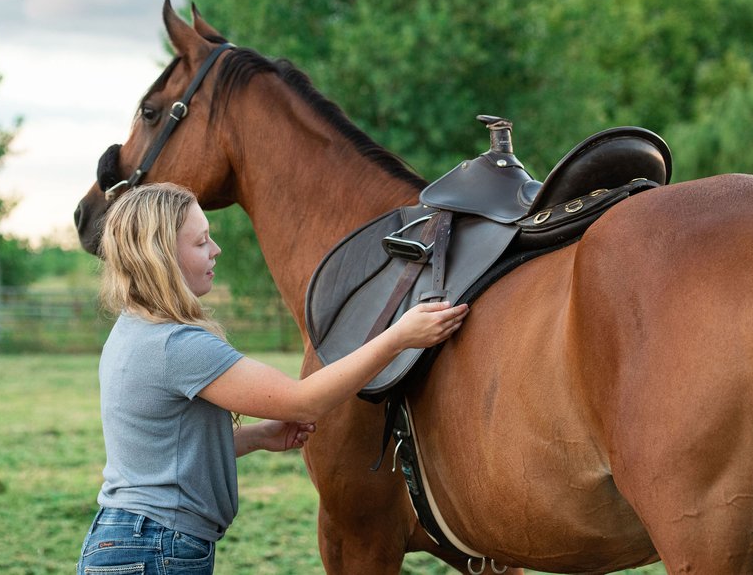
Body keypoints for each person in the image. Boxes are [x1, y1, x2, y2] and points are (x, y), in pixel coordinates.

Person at [76, 182, 469, 575]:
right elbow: (303, 400)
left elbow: (165, 451)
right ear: (159, 256)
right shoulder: (175, 345)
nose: (216, 250)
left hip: (130, 538)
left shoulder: (132, 329)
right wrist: (399, 337)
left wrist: (259, 436)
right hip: (153, 548)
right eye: (200, 242)